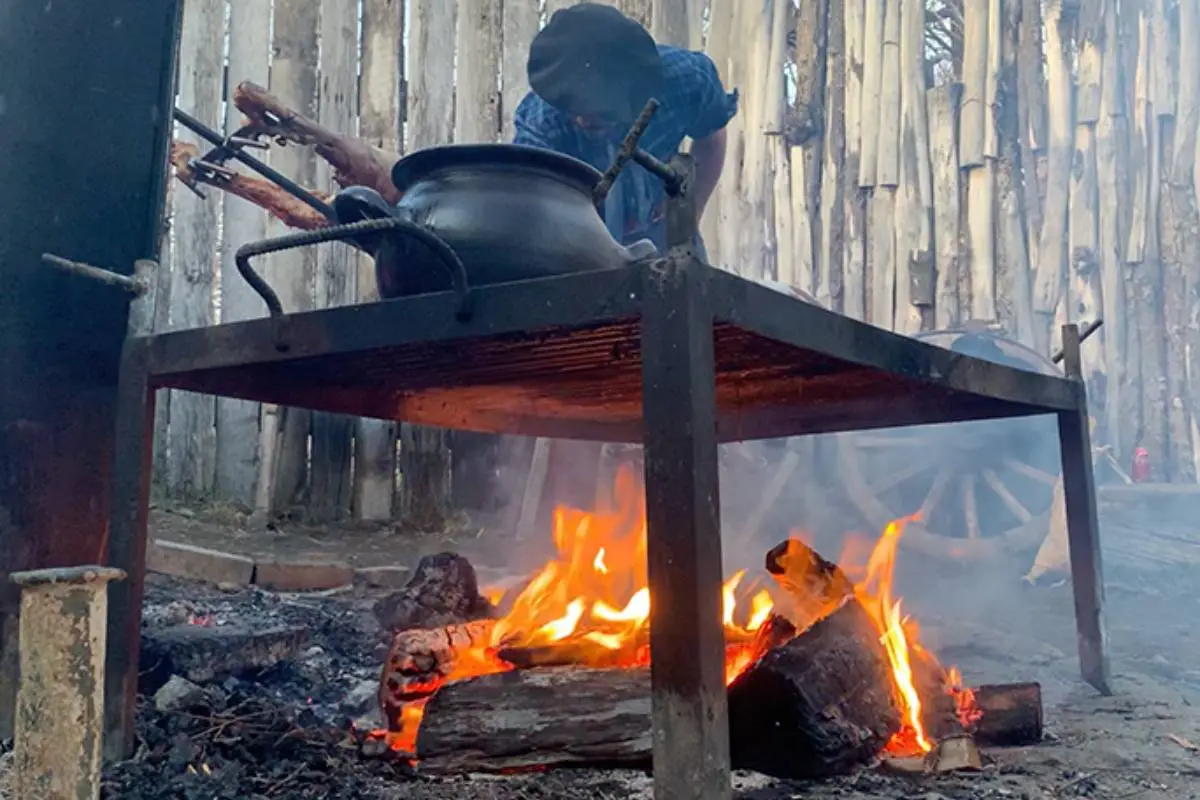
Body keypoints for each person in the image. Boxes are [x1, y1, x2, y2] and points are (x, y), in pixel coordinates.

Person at [513, 2, 739, 258]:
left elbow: (712, 138)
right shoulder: (541, 124)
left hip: (659, 225)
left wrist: (691, 209)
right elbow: (535, 208)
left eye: (597, 111)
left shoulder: (686, 83)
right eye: (574, 110)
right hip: (578, 238)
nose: (582, 121)